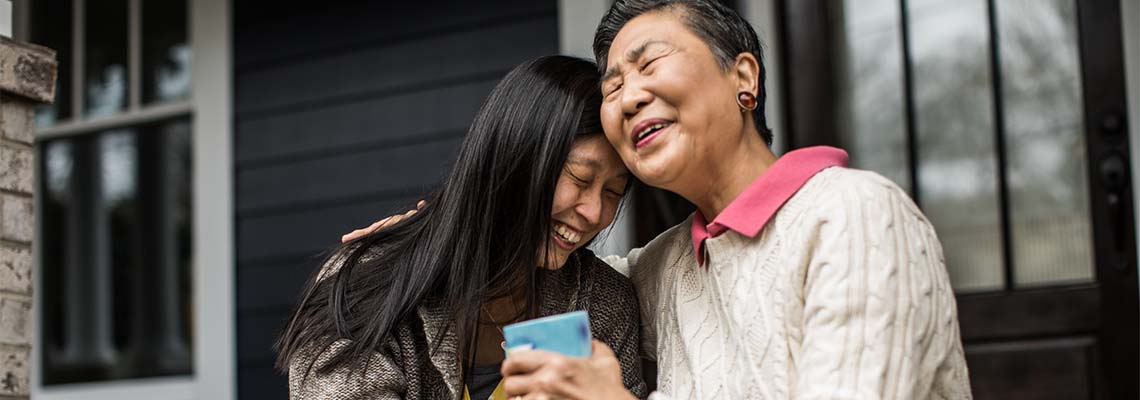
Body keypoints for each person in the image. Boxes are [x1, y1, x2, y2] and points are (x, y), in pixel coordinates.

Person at [348, 2, 972, 399]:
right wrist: (436, 232)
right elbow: (537, 256)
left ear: (744, 78)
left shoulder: (854, 216)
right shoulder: (666, 266)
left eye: (649, 65)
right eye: (613, 85)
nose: (628, 97)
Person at [277, 56, 648, 400]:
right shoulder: (366, 284)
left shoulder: (602, 304)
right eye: (580, 178)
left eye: (613, 192)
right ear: (513, 157)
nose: (594, 212)